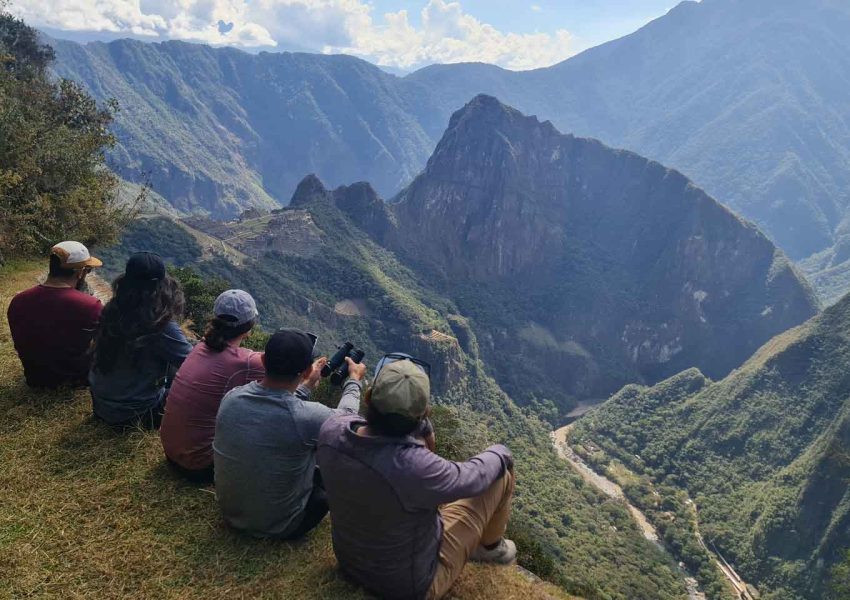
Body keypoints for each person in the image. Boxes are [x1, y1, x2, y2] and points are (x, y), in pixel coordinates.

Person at [317, 354, 517, 600]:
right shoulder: (414, 468)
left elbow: (349, 415)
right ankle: (491, 549)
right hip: (408, 587)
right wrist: (500, 451)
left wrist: (354, 381)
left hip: (349, 561)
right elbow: (474, 476)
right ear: (423, 413)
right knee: (500, 476)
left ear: (369, 398)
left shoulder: (331, 431)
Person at [213, 329, 364, 539]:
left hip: (231, 513)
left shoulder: (232, 397)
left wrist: (307, 386)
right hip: (280, 526)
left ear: (264, 360)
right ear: (305, 371)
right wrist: (354, 379)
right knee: (328, 470)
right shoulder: (306, 418)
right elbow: (347, 418)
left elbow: (275, 404)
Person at [159, 289, 264, 484]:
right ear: (249, 326)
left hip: (171, 452)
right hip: (200, 467)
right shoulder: (246, 362)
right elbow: (284, 372)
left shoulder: (200, 347)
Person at [89, 252, 193, 429]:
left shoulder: (112, 309)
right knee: (200, 387)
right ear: (160, 286)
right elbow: (193, 364)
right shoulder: (159, 324)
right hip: (137, 415)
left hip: (101, 406)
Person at [7, 241, 104, 388]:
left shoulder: (18, 301)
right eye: (88, 270)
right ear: (80, 272)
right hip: (76, 379)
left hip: (35, 379)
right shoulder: (91, 305)